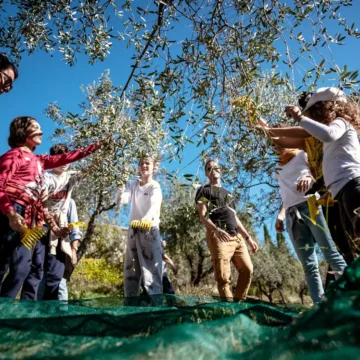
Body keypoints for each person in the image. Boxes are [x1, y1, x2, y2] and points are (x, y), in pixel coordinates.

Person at [0, 116, 104, 298]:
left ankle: (5, 310)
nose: (41, 132)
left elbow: (67, 157)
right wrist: (10, 214)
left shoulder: (40, 161)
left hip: (29, 220)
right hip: (12, 211)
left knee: (23, 267)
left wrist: (96, 146)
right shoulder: (14, 155)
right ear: (22, 132)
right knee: (2, 263)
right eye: (36, 128)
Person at [285, 87, 360, 260]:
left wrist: (300, 118)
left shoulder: (341, 122)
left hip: (353, 187)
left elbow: (328, 134)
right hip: (342, 192)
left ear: (326, 108)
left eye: (315, 113)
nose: (315, 118)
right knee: (352, 243)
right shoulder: (339, 128)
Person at [273, 139, 347, 304]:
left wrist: (308, 178)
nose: (276, 146)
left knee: (331, 254)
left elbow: (317, 175)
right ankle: (319, 307)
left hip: (311, 206)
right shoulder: (277, 168)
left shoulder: (302, 154)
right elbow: (286, 196)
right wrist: (280, 216)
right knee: (308, 265)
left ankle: (350, 298)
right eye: (273, 144)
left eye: (278, 141)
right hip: (292, 214)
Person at [195, 159, 258, 301]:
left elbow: (234, 217)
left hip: (237, 238)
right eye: (209, 168)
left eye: (216, 167)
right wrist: (216, 230)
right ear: (206, 173)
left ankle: (238, 304)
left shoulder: (228, 194)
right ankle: (229, 310)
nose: (213, 170)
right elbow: (203, 215)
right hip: (219, 237)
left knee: (247, 270)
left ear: (220, 170)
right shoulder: (204, 191)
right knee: (223, 278)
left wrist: (248, 238)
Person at [115, 155, 163, 297]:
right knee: (131, 270)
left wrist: (146, 219)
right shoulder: (134, 186)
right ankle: (130, 306)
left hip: (149, 231)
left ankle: (155, 306)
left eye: (147, 163)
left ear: (154, 167)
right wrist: (120, 189)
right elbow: (120, 200)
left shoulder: (154, 186)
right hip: (133, 231)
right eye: (141, 163)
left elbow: (154, 205)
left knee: (151, 272)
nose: (144, 166)